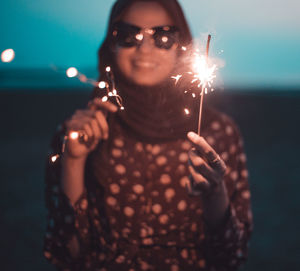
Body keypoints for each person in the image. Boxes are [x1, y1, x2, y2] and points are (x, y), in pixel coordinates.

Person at [43, 0, 253, 270]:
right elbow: (67, 254)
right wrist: (72, 162)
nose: (144, 48)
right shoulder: (78, 134)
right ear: (110, 43)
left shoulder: (218, 134)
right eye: (128, 35)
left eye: (163, 36)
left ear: (182, 45)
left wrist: (215, 196)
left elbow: (232, 256)